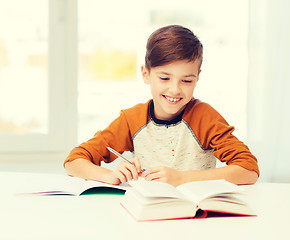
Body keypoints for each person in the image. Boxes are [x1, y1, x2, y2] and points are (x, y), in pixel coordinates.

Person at [64, 25, 259, 186]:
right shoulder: (132, 120)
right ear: (145, 74)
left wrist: (182, 178)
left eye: (187, 81)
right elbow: (73, 161)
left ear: (198, 78)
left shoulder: (204, 117)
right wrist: (109, 176)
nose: (175, 89)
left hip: (197, 214)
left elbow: (248, 170)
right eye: (165, 78)